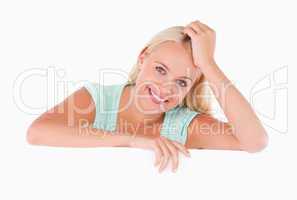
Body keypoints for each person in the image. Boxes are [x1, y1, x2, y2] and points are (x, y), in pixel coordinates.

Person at [26, 20, 269, 173]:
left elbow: (255, 142)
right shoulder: (97, 99)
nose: (164, 89)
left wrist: (208, 64)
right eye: (160, 70)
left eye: (182, 82)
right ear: (143, 58)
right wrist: (132, 140)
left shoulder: (185, 125)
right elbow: (37, 133)